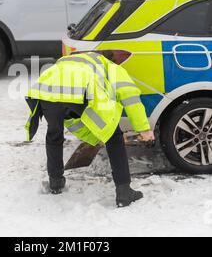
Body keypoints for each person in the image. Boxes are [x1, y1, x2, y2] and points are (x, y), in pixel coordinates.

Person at [25, 51, 155, 207]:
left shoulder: (68, 60)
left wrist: (94, 135)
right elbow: (130, 96)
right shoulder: (110, 66)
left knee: (54, 135)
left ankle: (56, 183)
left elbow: (75, 116)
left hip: (45, 91)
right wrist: (144, 129)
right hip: (79, 90)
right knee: (114, 138)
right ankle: (124, 192)